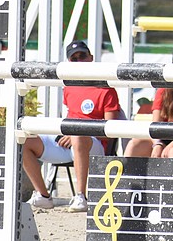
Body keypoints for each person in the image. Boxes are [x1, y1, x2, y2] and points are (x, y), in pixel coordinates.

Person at [23, 40, 122, 212]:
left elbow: (110, 131)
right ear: (69, 63)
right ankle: (43, 195)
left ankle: (80, 196)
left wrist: (77, 132)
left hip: (94, 144)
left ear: (90, 58)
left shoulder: (106, 89)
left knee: (78, 136)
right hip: (70, 141)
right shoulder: (69, 87)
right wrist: (65, 134)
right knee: (24, 141)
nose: (79, 61)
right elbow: (69, 116)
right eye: (74, 59)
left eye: (82, 56)